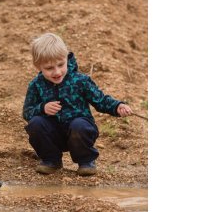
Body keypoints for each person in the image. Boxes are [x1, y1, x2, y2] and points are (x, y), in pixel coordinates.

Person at [23, 33, 132, 176]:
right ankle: (51, 160)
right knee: (35, 123)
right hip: (52, 134)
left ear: (67, 58)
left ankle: (86, 161)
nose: (57, 72)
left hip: (79, 132)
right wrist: (42, 108)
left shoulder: (81, 80)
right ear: (38, 66)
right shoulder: (36, 85)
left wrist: (117, 106)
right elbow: (27, 112)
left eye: (61, 65)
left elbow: (101, 100)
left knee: (79, 125)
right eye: (49, 68)